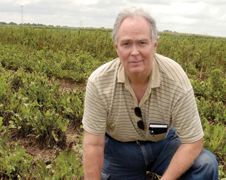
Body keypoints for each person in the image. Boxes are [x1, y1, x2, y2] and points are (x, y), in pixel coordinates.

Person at [82, 7, 219, 180]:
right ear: (116, 47)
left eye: (142, 43)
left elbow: (193, 142)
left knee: (205, 164)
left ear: (154, 45)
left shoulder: (175, 78)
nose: (134, 52)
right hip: (119, 150)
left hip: (163, 144)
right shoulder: (99, 82)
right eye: (126, 44)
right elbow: (93, 144)